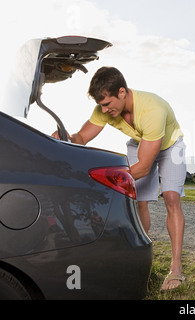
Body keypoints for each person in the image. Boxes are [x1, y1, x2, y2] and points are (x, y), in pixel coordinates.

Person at [52, 66, 187, 291]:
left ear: (122, 92)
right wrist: (65, 138)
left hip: (170, 145)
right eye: (101, 105)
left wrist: (105, 179)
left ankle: (176, 267)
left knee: (171, 197)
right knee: (137, 200)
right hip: (139, 141)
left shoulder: (152, 109)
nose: (104, 109)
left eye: (107, 104)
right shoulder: (103, 108)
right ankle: (140, 256)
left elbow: (143, 168)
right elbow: (82, 137)